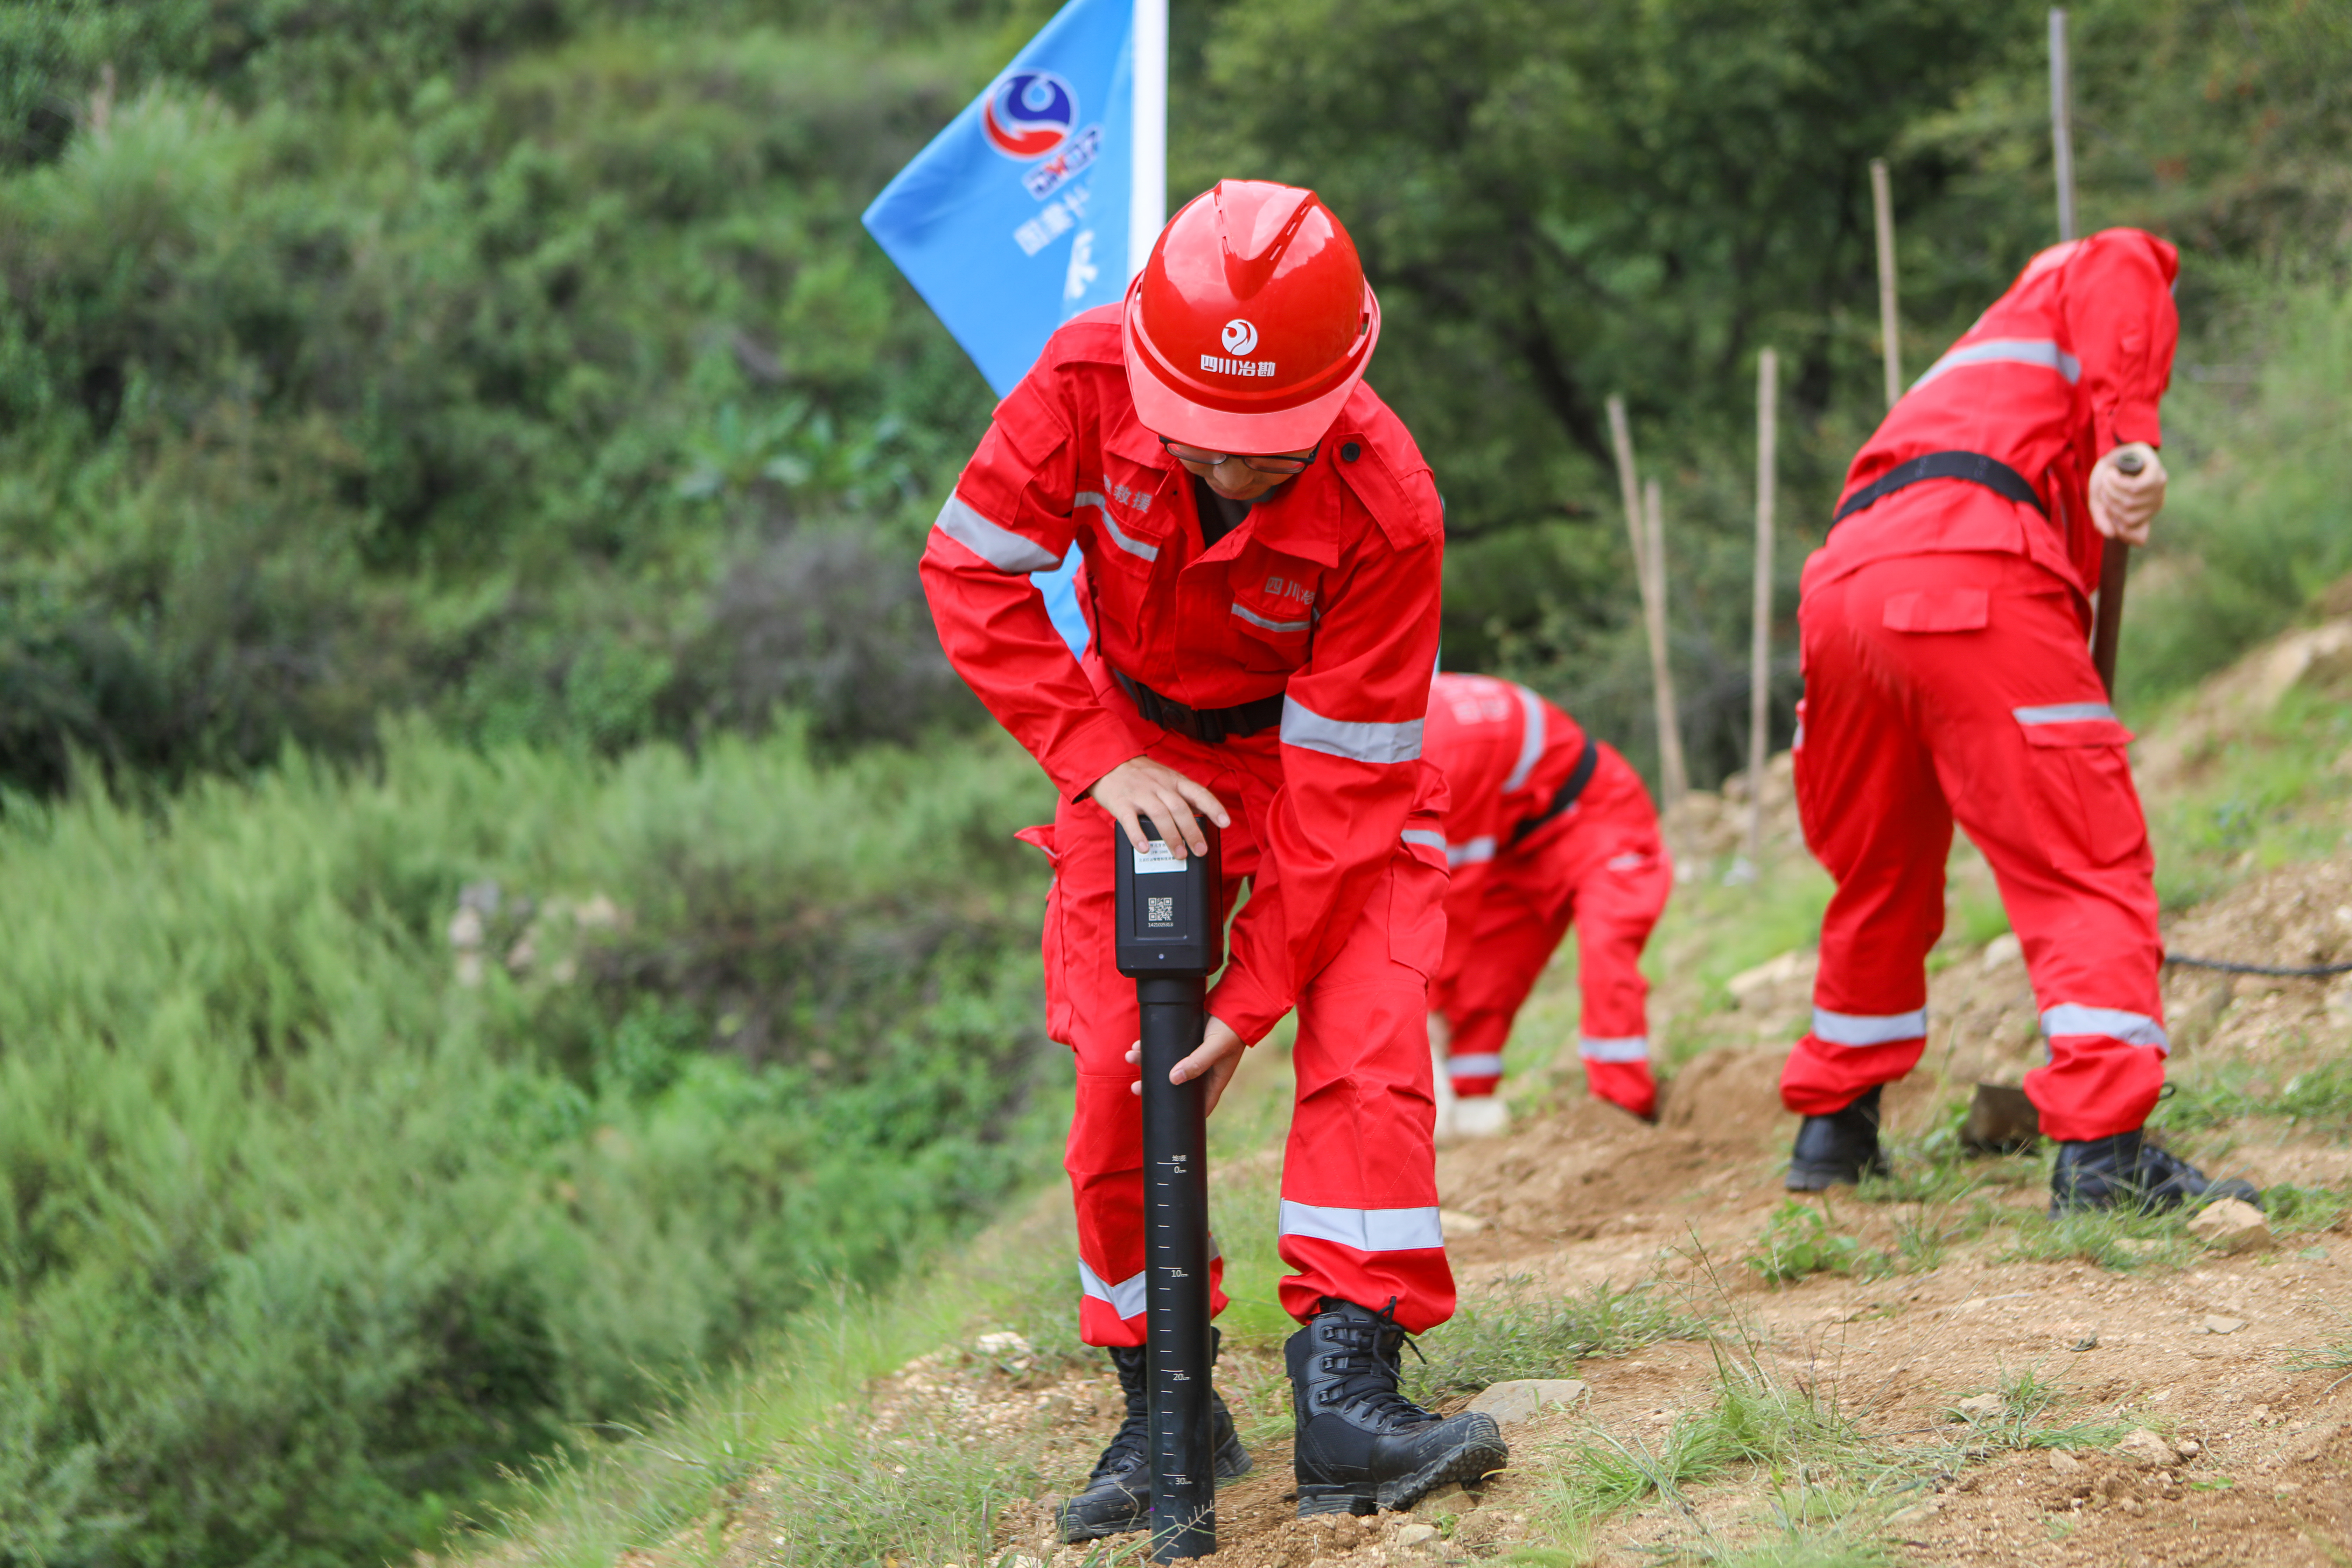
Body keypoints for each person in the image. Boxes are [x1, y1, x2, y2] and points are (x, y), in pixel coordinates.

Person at [920, 180, 1506, 1539]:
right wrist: (1096, 755)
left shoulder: (1389, 504)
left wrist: (1249, 997)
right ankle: (1164, 1397)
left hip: (1316, 770)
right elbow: (971, 574)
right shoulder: (1077, 382)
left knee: (1365, 1035)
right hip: (1128, 751)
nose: (1239, 468)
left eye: (1271, 448)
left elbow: (1348, 798)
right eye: (1211, 442)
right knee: (1123, 1077)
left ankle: (1349, 1394)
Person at [1778, 226, 2260, 1216]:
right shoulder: (2112, 260)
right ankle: (2104, 1152)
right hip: (1972, 572)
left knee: (1882, 871)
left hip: (1843, 589)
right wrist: (2133, 442)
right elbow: (2126, 293)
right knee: (2081, 860)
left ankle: (1837, 1131)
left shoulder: (1974, 373)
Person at [1421, 672, 1670, 1134]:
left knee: (1607, 955)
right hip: (1518, 843)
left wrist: (1426, 1000)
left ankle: (1624, 1110)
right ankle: (1466, 1102)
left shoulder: (1443, 756)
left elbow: (1447, 892)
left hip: (1599, 816)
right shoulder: (1401, 722)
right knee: (1485, 979)